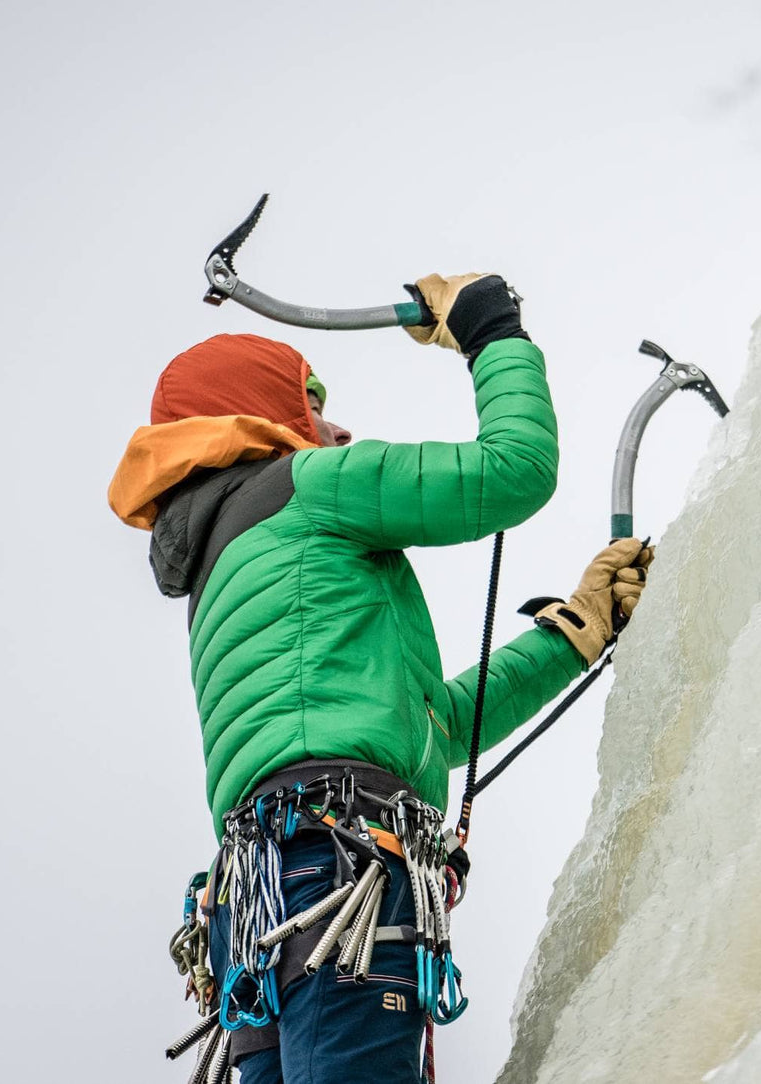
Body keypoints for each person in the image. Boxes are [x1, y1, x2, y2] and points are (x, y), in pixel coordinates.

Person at [109, 273, 652, 1083]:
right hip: (337, 865)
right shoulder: (305, 489)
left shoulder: (225, 563)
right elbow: (515, 471)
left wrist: (573, 633)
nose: (337, 427)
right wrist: (490, 331)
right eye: (312, 405)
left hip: (259, 903)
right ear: (263, 416)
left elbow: (430, 724)